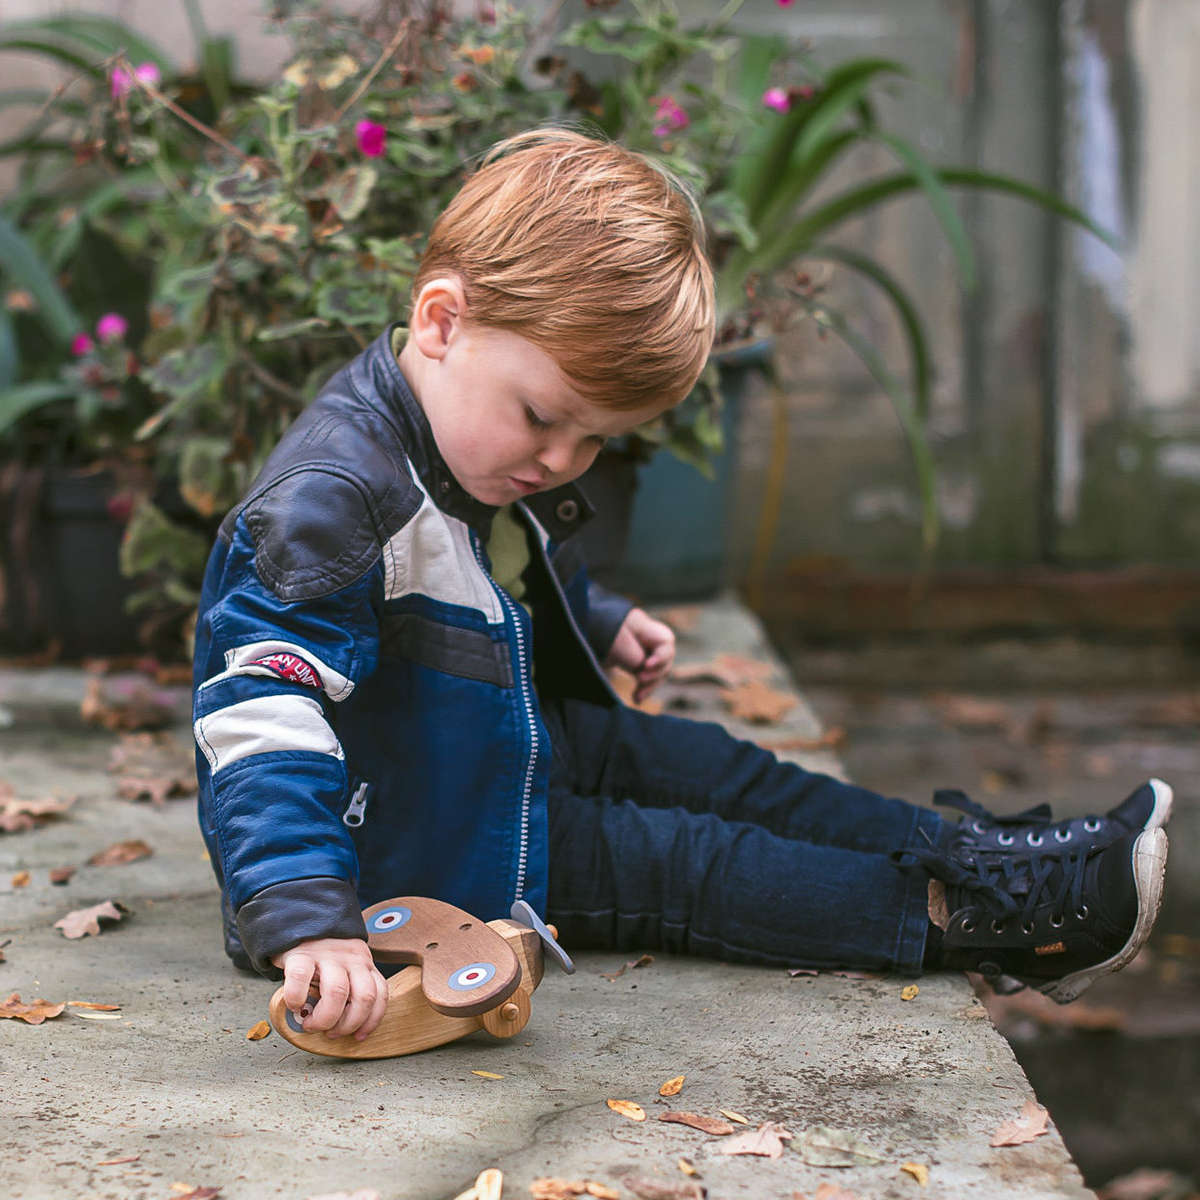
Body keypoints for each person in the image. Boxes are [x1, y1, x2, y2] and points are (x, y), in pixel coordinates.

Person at [192, 127, 1172, 1045]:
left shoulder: (459, 435)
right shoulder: (331, 499)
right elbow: (260, 713)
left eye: (595, 438)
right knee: (694, 863)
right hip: (431, 848)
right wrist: (307, 917)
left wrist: (596, 618)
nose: (562, 459)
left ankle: (992, 859)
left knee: (725, 773)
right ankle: (997, 923)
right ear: (442, 321)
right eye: (543, 418)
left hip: (488, 748)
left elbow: (479, 574)